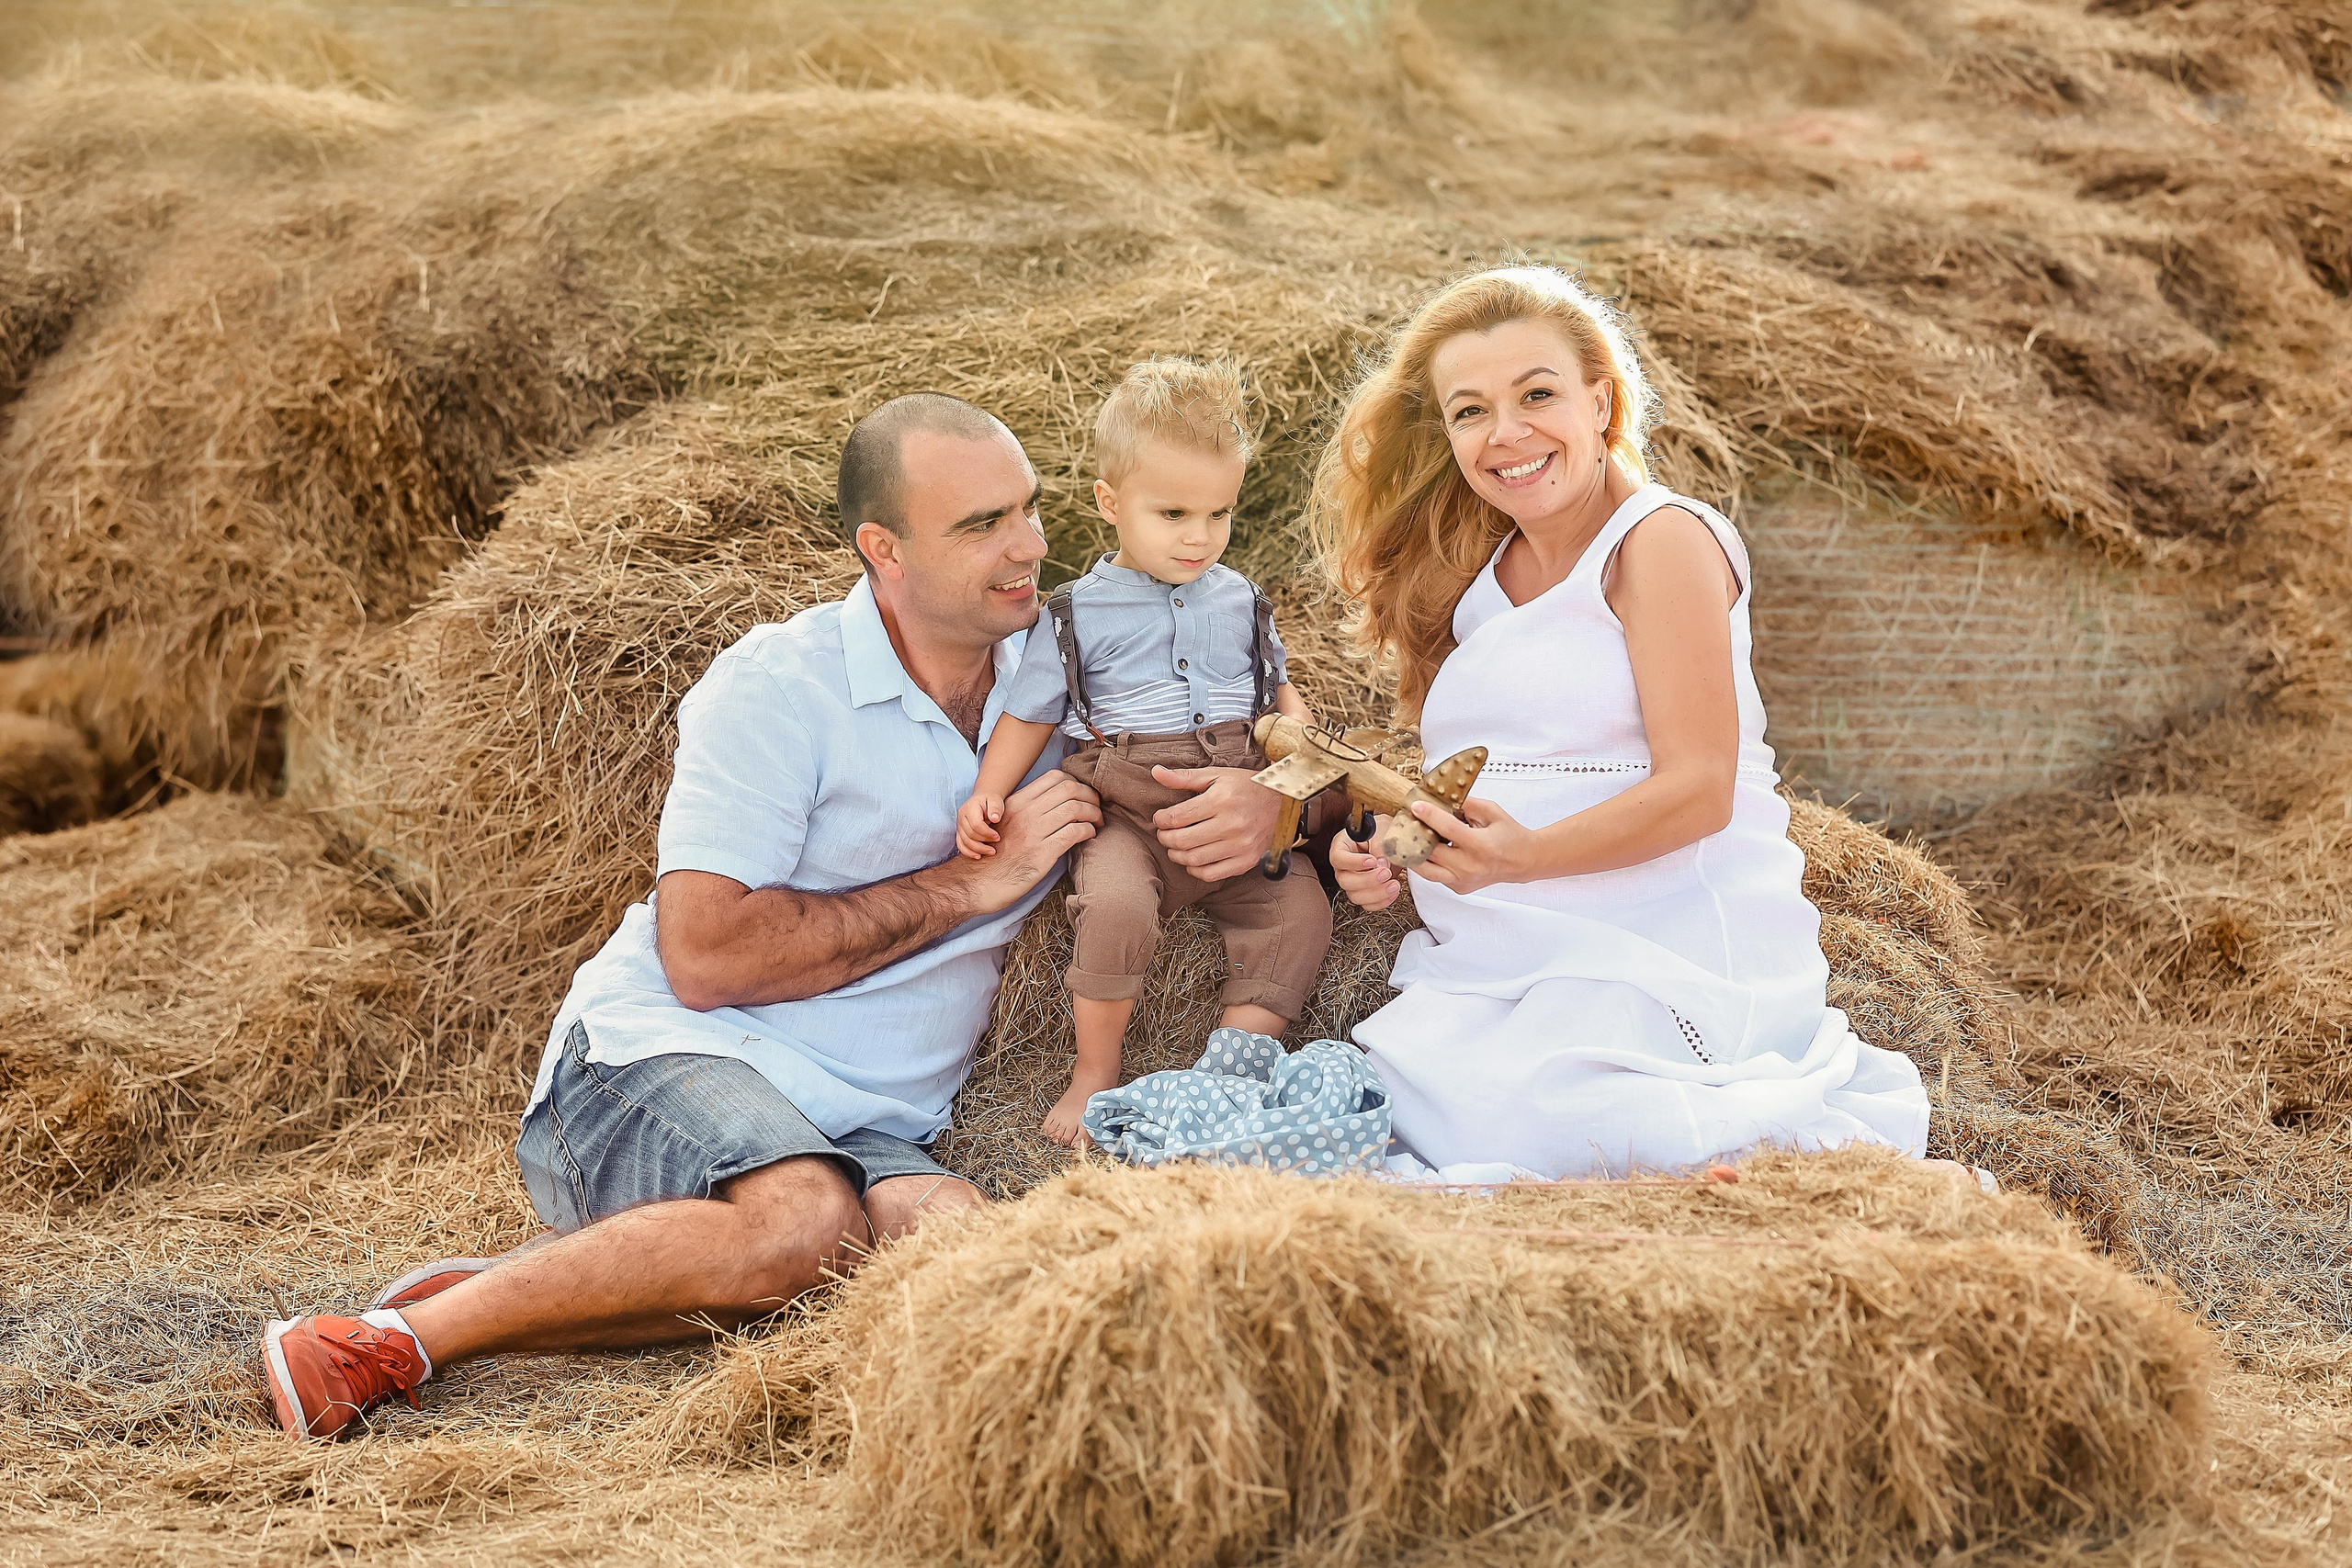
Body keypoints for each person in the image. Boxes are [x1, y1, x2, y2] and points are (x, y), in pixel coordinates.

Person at [259, 392, 1285, 1440]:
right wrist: (972, 884)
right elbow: (703, 956)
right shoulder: (777, 689)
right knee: (805, 1225)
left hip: (872, 1123)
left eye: (1028, 508)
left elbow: (1279, 744)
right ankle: (380, 1346)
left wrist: (1279, 799)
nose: (1029, 546)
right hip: (666, 1056)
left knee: (959, 1239)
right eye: (980, 525)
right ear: (882, 548)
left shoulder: (1072, 668)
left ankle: (508, 1291)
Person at [1316, 265, 1932, 1179]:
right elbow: (1505, 772)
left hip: (1661, 932)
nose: (1507, 433)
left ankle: (1771, 1151)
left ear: (1600, 402)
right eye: (1470, 411)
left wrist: (1521, 857)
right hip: (1501, 946)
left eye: (1537, 395)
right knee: (1393, 1102)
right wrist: (1388, 849)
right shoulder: (1474, 586)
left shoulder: (1659, 540)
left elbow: (1698, 790)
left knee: (1553, 1130)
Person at [957, 358, 1334, 1146]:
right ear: (1110, 503)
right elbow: (1031, 715)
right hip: (1130, 811)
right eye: (1173, 513)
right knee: (1115, 909)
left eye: (1219, 514)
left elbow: (1279, 699)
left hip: (1238, 798)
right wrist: (987, 792)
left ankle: (1237, 1062)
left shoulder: (1242, 599)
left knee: (1300, 908)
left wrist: (1307, 770)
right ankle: (1095, 1069)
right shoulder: (1074, 612)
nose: (1200, 537)